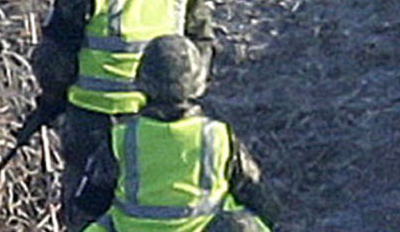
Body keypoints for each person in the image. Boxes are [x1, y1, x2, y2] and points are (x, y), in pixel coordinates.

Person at [24, 0, 215, 230]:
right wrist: (185, 95)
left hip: (93, 121)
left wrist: (51, 100)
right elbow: (202, 41)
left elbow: (55, 59)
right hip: (161, 122)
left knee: (86, 216)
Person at [69, 35, 279, 232]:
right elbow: (261, 199)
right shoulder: (218, 136)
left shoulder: (122, 138)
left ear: (143, 80)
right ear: (198, 81)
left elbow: (90, 202)